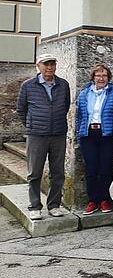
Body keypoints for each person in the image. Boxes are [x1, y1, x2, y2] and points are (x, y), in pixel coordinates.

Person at [16, 53, 71, 221]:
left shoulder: (63, 84)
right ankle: (34, 206)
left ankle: (54, 205)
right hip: (36, 135)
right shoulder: (28, 85)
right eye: (46, 64)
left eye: (52, 64)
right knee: (34, 173)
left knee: (58, 172)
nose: (50, 68)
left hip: (58, 134)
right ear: (38, 66)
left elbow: (65, 106)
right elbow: (21, 109)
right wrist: (32, 125)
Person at [76, 63, 113, 214]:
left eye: (104, 75)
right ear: (93, 77)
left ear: (108, 78)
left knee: (105, 168)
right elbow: (79, 116)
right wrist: (79, 133)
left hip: (107, 135)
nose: (101, 78)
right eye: (98, 75)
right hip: (89, 135)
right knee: (90, 169)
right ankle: (92, 200)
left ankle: (104, 199)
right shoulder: (84, 94)